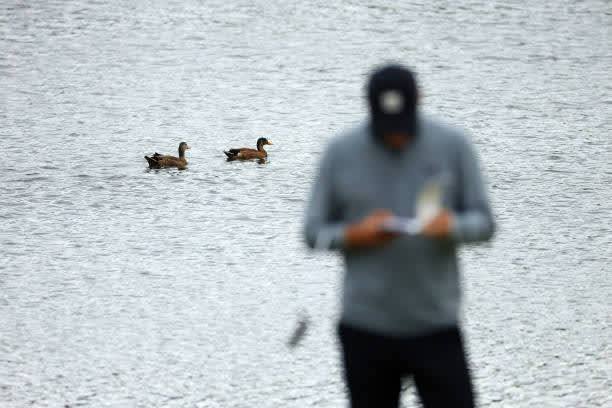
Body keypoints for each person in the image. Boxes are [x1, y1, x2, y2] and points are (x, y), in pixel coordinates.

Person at [303, 64, 495, 408]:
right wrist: (355, 233)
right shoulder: (339, 152)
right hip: (365, 330)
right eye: (386, 128)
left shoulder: (454, 146)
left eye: (402, 127)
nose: (395, 137)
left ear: (420, 100)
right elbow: (312, 233)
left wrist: (451, 227)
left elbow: (485, 224)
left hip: (436, 327)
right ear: (368, 105)